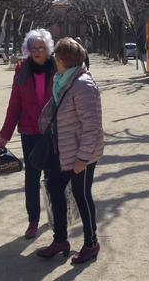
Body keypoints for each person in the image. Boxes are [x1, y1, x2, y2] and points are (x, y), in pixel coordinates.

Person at [36, 38, 104, 265]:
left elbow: (92, 126)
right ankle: (60, 240)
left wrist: (83, 158)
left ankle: (91, 243)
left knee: (82, 196)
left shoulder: (83, 84)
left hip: (81, 155)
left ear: (64, 59)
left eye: (56, 55)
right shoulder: (63, 80)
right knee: (55, 188)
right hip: (63, 150)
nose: (54, 59)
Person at [0, 29, 56, 240]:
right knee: (31, 177)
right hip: (29, 132)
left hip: (52, 132)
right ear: (28, 51)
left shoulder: (58, 68)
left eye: (41, 48)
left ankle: (54, 216)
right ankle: (33, 220)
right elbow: (15, 105)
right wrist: (5, 135)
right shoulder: (21, 71)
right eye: (34, 48)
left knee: (52, 177)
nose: (38, 52)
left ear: (48, 49)